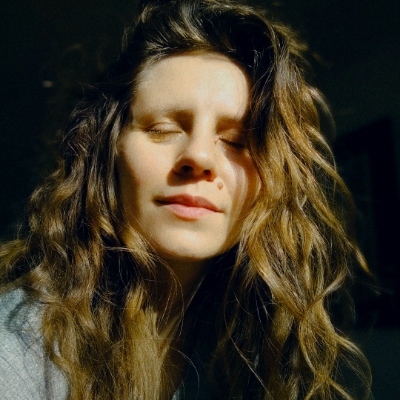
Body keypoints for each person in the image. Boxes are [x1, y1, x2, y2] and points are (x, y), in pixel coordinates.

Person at [0, 0, 372, 399]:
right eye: (162, 128)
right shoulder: (14, 357)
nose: (199, 156)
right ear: (109, 151)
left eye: (238, 141)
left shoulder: (252, 350)